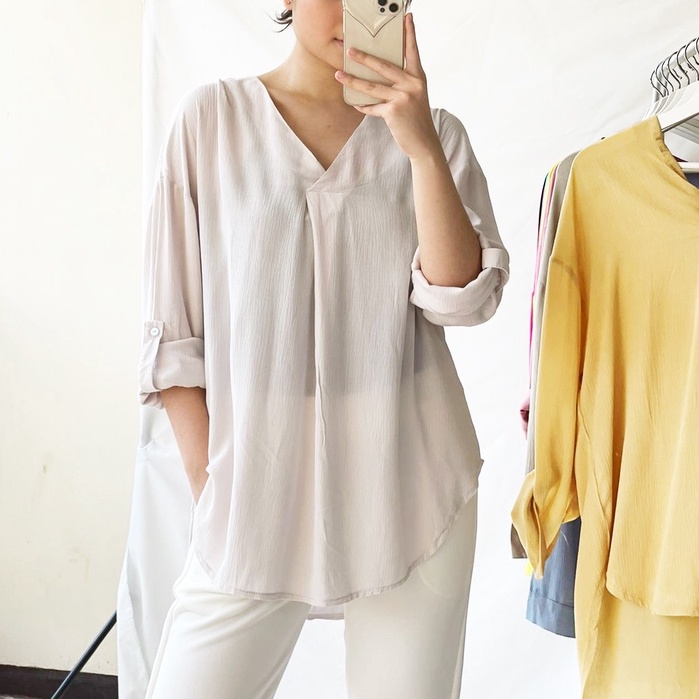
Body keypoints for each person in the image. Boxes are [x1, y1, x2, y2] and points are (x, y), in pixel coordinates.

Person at [137, 0, 509, 696]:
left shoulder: (434, 135)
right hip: (253, 490)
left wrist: (419, 147)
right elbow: (175, 333)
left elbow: (460, 299)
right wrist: (213, 489)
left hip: (410, 486)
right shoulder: (212, 122)